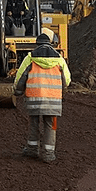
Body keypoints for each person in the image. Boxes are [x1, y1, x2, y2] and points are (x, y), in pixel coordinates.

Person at [14, 33, 71, 163]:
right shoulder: (59, 59)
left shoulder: (30, 58)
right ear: (50, 43)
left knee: (33, 123)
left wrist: (17, 91)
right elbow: (66, 80)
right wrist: (63, 92)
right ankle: (48, 154)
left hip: (34, 99)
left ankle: (32, 150)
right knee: (51, 126)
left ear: (37, 43)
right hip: (54, 101)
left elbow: (20, 77)